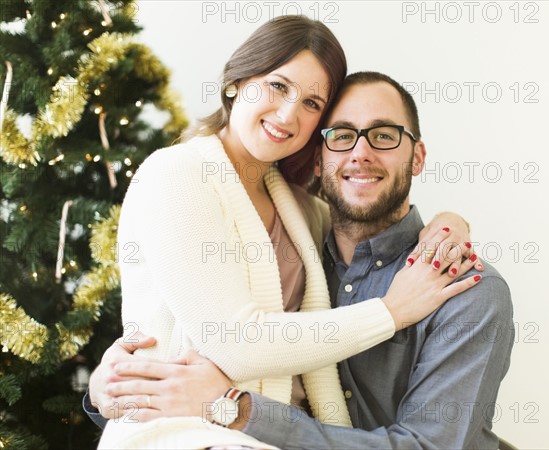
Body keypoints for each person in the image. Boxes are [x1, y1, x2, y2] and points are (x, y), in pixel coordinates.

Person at [88, 16, 481, 449]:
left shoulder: (299, 208)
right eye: (278, 86)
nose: (288, 113)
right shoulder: (176, 175)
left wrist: (449, 224)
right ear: (237, 80)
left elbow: (373, 221)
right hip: (180, 431)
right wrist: (391, 312)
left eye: (312, 103)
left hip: (265, 435)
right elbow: (235, 343)